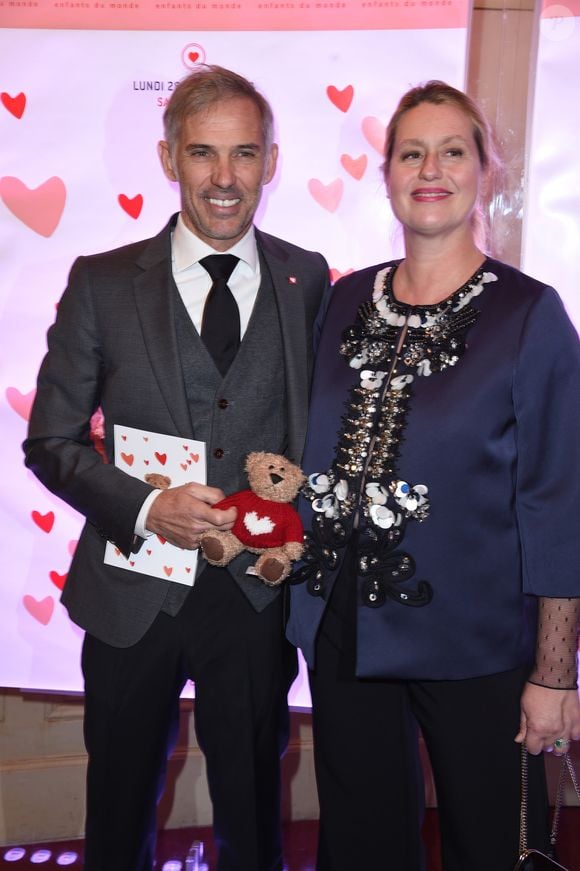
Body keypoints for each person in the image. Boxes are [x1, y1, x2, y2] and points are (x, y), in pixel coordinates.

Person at [24, 65, 329, 871]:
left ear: (271, 160)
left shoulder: (311, 280)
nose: (225, 178)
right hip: (131, 596)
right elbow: (49, 440)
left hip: (254, 595)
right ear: (168, 158)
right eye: (202, 153)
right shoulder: (100, 282)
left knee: (255, 814)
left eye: (244, 154)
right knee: (118, 811)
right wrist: (143, 507)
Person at [287, 80, 580, 871]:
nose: (431, 169)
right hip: (348, 631)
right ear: (386, 174)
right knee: (361, 845)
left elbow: (560, 503)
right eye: (412, 152)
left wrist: (555, 674)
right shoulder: (344, 300)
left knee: (491, 846)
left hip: (479, 643)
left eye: (454, 151)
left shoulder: (530, 314)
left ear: (485, 172)